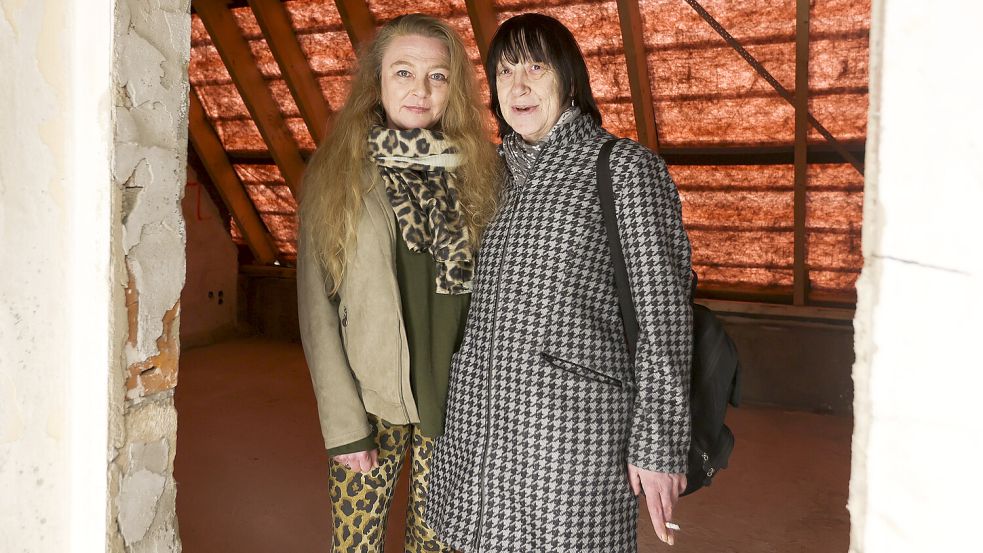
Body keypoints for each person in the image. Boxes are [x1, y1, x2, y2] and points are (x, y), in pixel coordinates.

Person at [425, 13, 693, 553]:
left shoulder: (623, 168)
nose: (518, 86)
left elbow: (663, 317)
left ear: (569, 78)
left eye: (535, 67)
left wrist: (658, 445)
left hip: (570, 436)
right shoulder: (487, 174)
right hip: (479, 427)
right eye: (505, 72)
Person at [297, 13, 499, 552]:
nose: (420, 90)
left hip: (455, 401)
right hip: (370, 400)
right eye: (404, 72)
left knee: (437, 544)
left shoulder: (481, 171)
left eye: (438, 76)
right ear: (378, 80)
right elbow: (318, 311)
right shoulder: (336, 173)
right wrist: (345, 427)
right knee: (355, 545)